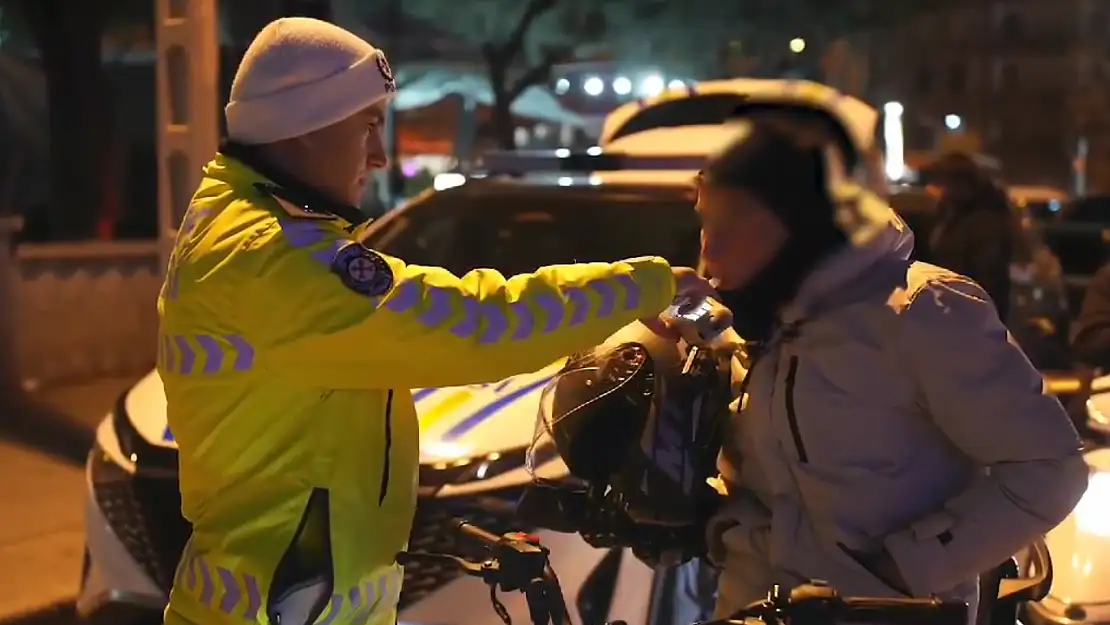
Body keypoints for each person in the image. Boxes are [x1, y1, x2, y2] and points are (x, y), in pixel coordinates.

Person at [157, 17, 713, 625]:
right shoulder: (275, 259)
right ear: (304, 126)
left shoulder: (242, 228)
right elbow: (481, 320)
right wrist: (649, 286)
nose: (379, 154)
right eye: (367, 126)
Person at [695, 116, 1087, 620]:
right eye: (705, 220)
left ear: (799, 219)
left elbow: (1049, 467)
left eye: (733, 221)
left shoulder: (922, 311)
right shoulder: (753, 320)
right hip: (754, 608)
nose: (709, 248)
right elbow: (766, 485)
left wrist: (901, 570)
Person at [920, 152, 1015, 320]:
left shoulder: (983, 222)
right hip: (947, 308)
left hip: (968, 313)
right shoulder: (945, 216)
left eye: (939, 183)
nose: (932, 190)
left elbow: (987, 274)